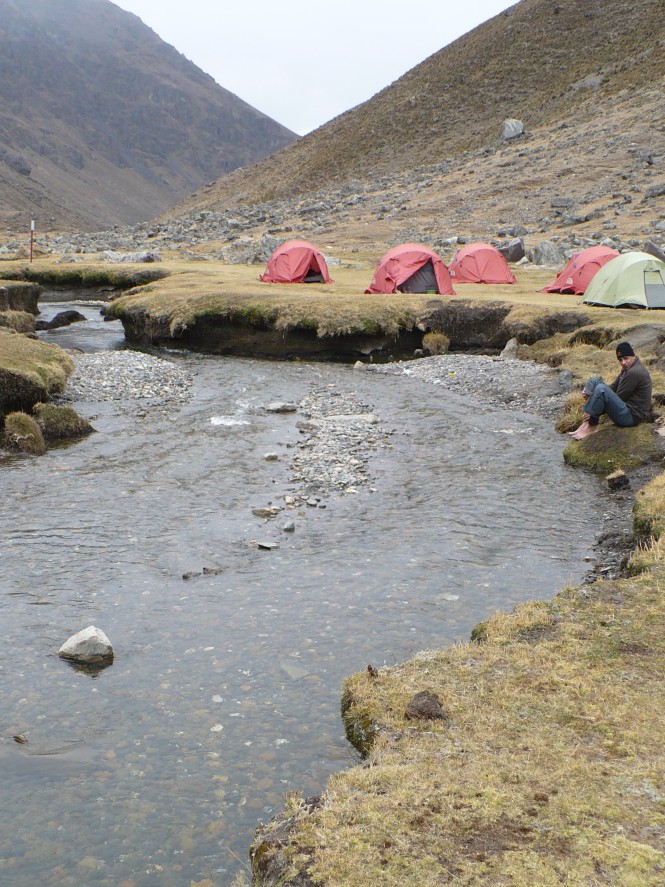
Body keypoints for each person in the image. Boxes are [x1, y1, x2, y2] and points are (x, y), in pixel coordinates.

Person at [569, 341, 652, 440]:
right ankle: (586, 422)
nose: (623, 362)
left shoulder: (634, 372)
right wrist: (590, 392)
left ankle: (591, 426)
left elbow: (620, 397)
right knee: (594, 381)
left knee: (601, 389)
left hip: (632, 416)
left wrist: (594, 411)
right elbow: (613, 387)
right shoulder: (628, 368)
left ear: (633, 356)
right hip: (625, 408)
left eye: (626, 358)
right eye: (620, 360)